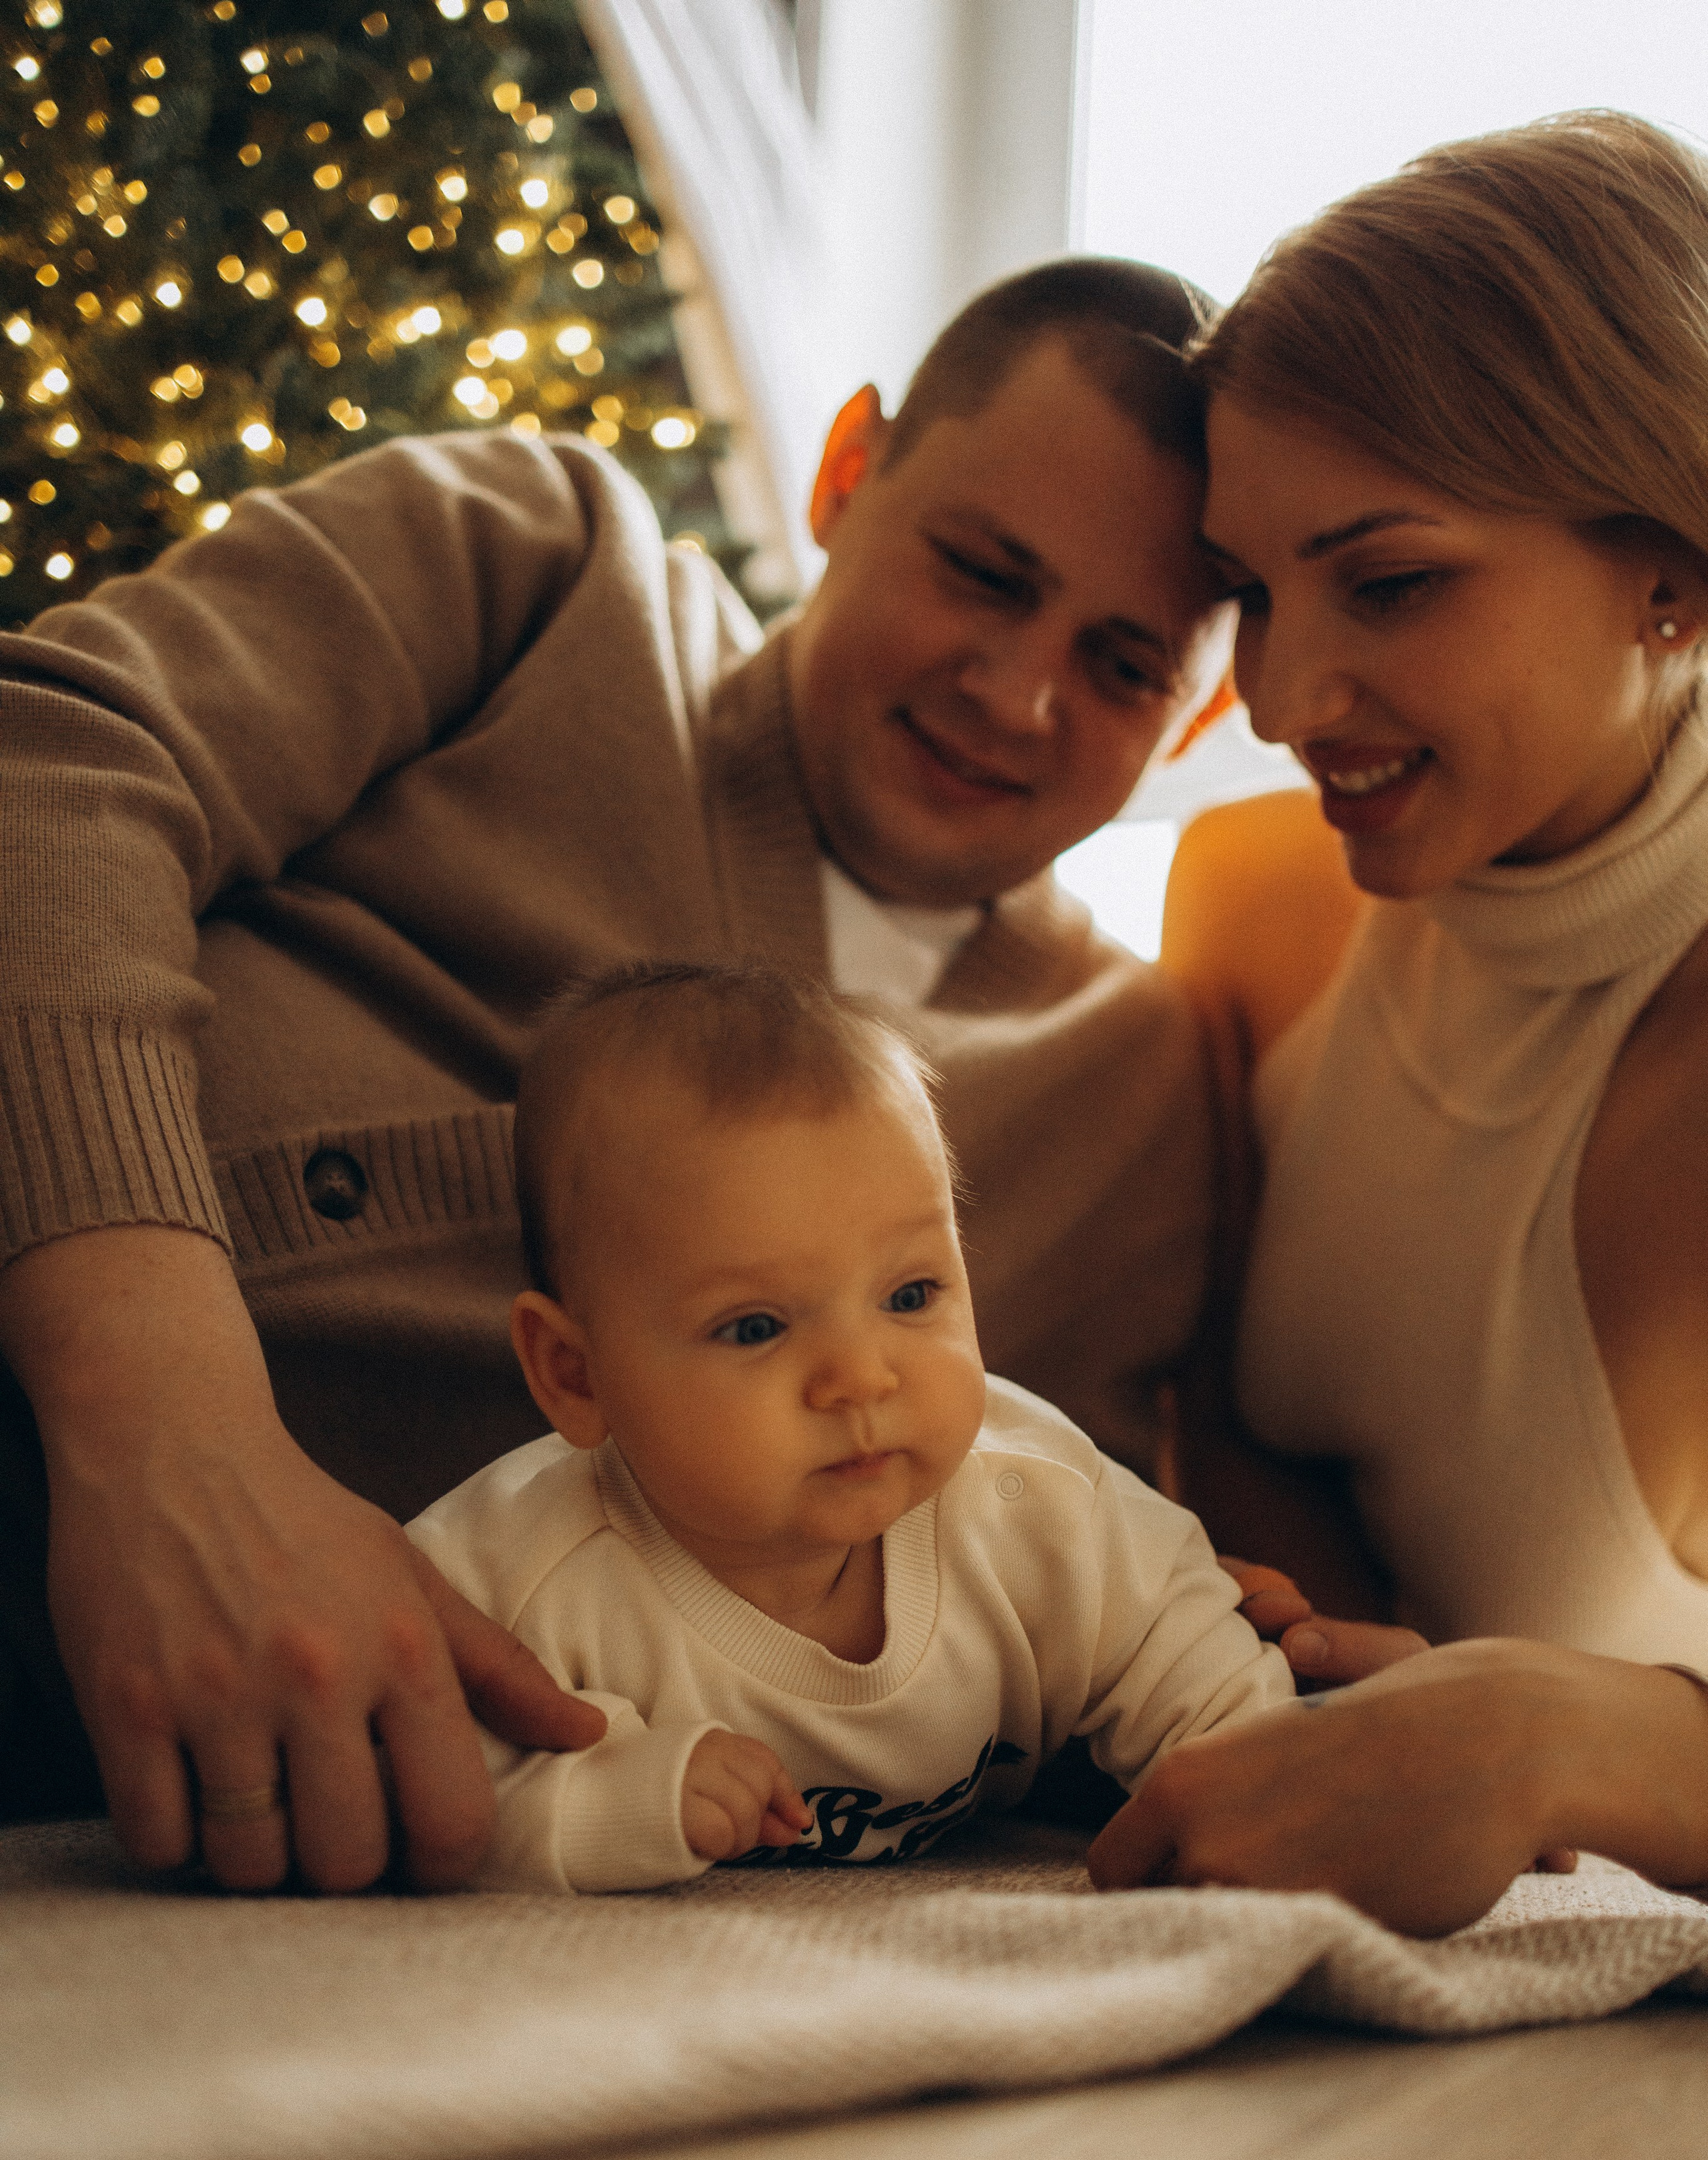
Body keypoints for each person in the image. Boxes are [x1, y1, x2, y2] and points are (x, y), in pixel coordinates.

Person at [0, 256, 1250, 1892]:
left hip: (383, 1833)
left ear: (1192, 711)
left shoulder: (1126, 1082)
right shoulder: (536, 563)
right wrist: (165, 1435)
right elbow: (46, 768)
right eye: (980, 573)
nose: (1016, 693)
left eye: (1120, 665)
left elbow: (1030, 1563)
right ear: (844, 471)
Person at [1094, 111, 1708, 1928]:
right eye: (1253, 596)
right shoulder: (1256, 898)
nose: (1281, 698)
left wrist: (1558, 1737)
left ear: (1671, 566)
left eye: (1391, 581)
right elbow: (1252, 1429)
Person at [408, 962, 1299, 1892]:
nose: (861, 1378)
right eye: (757, 1327)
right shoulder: (514, 1579)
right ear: (575, 1374)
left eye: (911, 1295)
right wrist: (615, 1802)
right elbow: (430, 1789)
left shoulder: (1033, 1501)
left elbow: (1182, 1642)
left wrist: (1256, 1776)